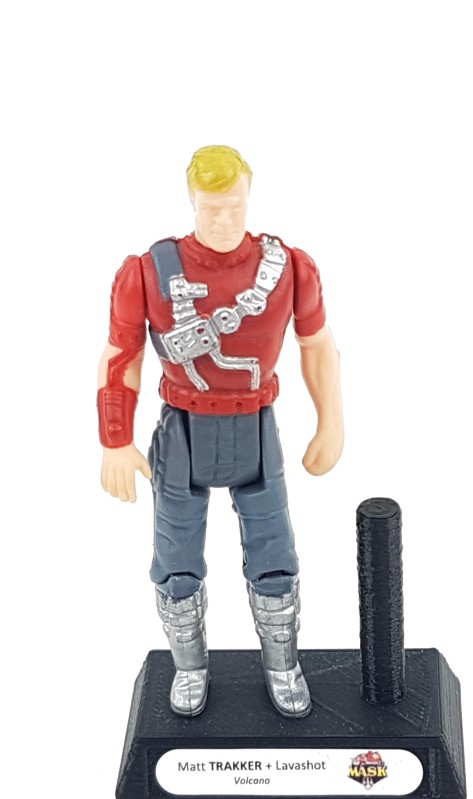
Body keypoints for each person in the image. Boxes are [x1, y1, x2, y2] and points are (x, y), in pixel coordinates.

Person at [97, 145, 343, 720]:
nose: (225, 219)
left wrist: (331, 421)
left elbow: (317, 345)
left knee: (274, 552)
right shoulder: (148, 271)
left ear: (248, 196)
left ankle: (282, 665)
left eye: (234, 206)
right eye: (212, 208)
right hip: (182, 430)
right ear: (192, 201)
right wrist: (114, 438)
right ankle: (189, 667)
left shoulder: (289, 267)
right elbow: (121, 356)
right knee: (175, 556)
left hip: (257, 427)